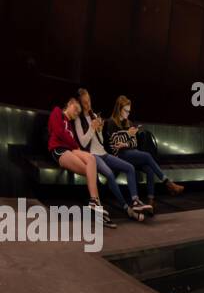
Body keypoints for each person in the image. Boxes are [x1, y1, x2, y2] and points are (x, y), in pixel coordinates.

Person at [47, 97, 131, 227]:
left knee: (91, 159)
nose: (76, 113)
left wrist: (79, 149)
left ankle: (95, 203)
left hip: (71, 149)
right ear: (69, 104)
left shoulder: (70, 124)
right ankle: (99, 209)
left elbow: (73, 142)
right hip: (59, 150)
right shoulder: (57, 111)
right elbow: (59, 132)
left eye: (78, 112)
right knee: (90, 170)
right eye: (75, 109)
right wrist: (76, 147)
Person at [74, 88, 153, 219]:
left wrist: (99, 129)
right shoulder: (78, 120)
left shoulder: (95, 116)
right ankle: (126, 208)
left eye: (89, 101)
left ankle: (135, 201)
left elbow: (101, 141)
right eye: (84, 102)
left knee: (130, 168)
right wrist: (92, 128)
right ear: (80, 104)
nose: (88, 104)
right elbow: (83, 143)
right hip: (93, 156)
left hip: (103, 153)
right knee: (110, 174)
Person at [103, 96, 184, 200]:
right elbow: (115, 144)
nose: (128, 113)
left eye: (129, 111)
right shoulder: (111, 122)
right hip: (119, 155)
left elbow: (134, 143)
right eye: (126, 111)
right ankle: (168, 183)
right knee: (147, 156)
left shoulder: (129, 123)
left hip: (131, 153)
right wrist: (128, 135)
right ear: (119, 109)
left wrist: (126, 144)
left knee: (149, 169)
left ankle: (151, 200)